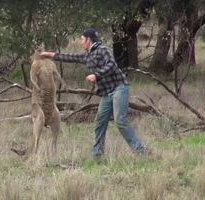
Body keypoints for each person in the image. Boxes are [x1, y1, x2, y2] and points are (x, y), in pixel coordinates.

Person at [40, 27, 146, 157]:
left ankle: (141, 153)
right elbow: (71, 57)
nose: (81, 42)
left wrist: (96, 75)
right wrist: (50, 55)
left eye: (82, 39)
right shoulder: (88, 55)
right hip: (107, 92)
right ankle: (98, 155)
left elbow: (112, 65)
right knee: (100, 122)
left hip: (119, 88)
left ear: (88, 40)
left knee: (120, 121)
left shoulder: (102, 50)